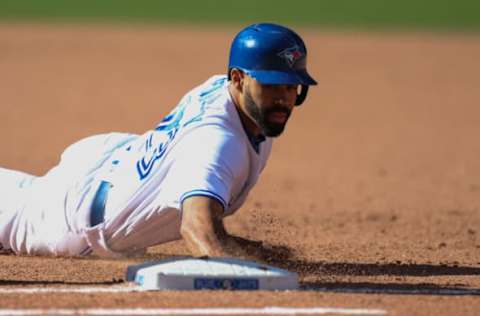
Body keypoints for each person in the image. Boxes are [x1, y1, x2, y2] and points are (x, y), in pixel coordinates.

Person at [0, 23, 317, 258]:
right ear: (237, 78)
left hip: (114, 163)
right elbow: (196, 229)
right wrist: (240, 260)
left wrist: (244, 249)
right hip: (70, 217)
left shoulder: (229, 96)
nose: (284, 99)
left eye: (292, 87)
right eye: (273, 85)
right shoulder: (216, 145)